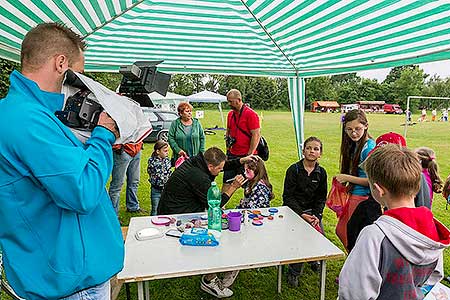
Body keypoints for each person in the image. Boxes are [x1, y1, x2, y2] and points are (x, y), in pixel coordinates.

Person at [0, 23, 124, 299]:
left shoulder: (24, 113)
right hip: (69, 282)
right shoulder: (26, 119)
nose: (78, 83)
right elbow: (82, 191)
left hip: (53, 269)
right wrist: (103, 135)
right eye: (77, 75)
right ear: (60, 63)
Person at [338, 144, 450, 299]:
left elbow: (353, 293)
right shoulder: (433, 228)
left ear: (378, 189)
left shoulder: (374, 236)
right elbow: (434, 277)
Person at [282, 136, 327, 287]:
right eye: (308, 148)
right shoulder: (293, 170)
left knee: (319, 237)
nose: (311, 151)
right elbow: (287, 197)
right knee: (299, 239)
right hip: (293, 211)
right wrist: (301, 214)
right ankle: (294, 272)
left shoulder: (322, 173)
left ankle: (314, 259)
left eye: (316, 149)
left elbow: (321, 198)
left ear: (320, 153)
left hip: (312, 211)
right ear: (303, 151)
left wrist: (317, 215)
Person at [335, 109, 381, 252]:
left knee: (351, 234)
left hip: (362, 197)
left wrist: (346, 177)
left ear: (366, 126)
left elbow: (373, 180)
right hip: (355, 194)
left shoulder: (368, 149)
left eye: (357, 129)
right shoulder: (355, 144)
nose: (353, 133)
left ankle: (355, 264)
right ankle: (354, 262)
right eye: (349, 129)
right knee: (343, 231)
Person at [158, 147, 253, 215]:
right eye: (219, 169)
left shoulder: (198, 161)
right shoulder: (199, 177)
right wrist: (233, 187)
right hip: (175, 214)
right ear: (210, 166)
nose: (221, 171)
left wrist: (241, 160)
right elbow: (215, 204)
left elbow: (221, 165)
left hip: (171, 207)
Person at [223, 89, 260, 190]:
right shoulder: (230, 114)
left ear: (239, 100)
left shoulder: (251, 114)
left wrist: (250, 155)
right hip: (232, 154)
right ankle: (222, 205)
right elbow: (228, 133)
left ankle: (248, 204)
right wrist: (227, 151)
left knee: (249, 185)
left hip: (246, 155)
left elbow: (256, 135)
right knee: (226, 182)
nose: (229, 104)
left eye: (231, 101)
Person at [108, 141, 145, 214]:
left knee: (134, 181)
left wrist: (140, 144)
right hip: (123, 151)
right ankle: (113, 215)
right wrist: (118, 147)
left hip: (136, 149)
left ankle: (133, 206)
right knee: (117, 186)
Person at [147, 140, 171, 216]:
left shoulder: (167, 160)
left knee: (166, 209)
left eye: (167, 151)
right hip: (156, 190)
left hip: (166, 190)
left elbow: (168, 171)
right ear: (158, 151)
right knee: (155, 209)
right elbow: (157, 173)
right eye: (165, 151)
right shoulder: (152, 161)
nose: (167, 153)